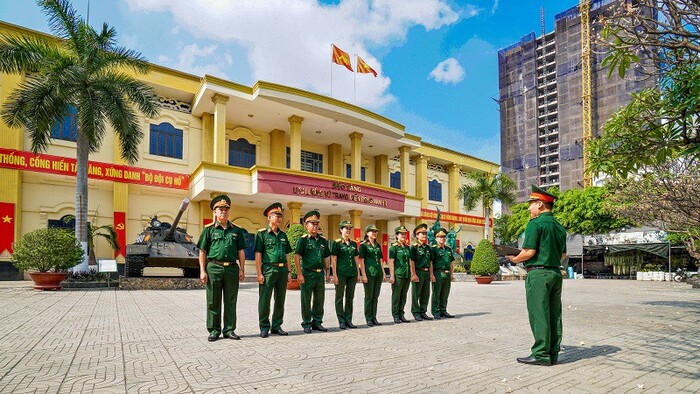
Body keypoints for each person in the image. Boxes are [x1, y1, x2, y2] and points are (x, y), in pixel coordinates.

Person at [507, 185, 567, 366]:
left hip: (539, 275)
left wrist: (515, 259)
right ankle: (552, 354)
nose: (529, 208)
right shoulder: (559, 226)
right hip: (555, 273)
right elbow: (562, 255)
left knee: (539, 313)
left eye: (531, 204)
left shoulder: (535, 223)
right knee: (554, 314)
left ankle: (540, 354)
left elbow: (529, 251)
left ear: (540, 204)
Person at [197, 195, 246, 342]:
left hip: (231, 268)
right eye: (220, 209)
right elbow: (202, 251)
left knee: (231, 300)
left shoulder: (236, 230)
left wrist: (242, 269)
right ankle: (214, 330)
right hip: (213, 268)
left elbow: (241, 251)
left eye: (226, 209)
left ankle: (229, 329)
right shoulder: (209, 230)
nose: (223, 211)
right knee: (213, 300)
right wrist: (202, 270)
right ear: (215, 212)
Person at [254, 202, 292, 338]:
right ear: (269, 217)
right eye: (277, 215)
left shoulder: (283, 235)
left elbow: (287, 254)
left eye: (281, 216)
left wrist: (288, 271)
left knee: (280, 299)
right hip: (268, 269)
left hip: (282, 270)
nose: (280, 218)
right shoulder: (262, 234)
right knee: (265, 299)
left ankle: (277, 326)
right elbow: (258, 254)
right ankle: (264, 326)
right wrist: (259, 273)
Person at [294, 210, 331, 333]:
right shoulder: (303, 240)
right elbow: (297, 256)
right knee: (306, 299)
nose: (315, 226)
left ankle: (317, 322)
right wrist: (299, 274)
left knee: (319, 299)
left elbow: (326, 257)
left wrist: (327, 272)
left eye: (316, 224)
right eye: (312, 223)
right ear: (306, 226)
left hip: (320, 273)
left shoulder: (323, 241)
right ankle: (306, 323)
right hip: (308, 273)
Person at [330, 220, 364, 329]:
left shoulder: (354, 243)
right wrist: (334, 275)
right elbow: (334, 260)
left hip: (352, 273)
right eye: (346, 228)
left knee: (350, 297)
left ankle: (348, 319)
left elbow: (356, 259)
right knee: (339, 297)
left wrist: (358, 273)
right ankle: (341, 320)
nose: (348, 230)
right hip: (341, 273)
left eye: (350, 229)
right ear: (341, 230)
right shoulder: (336, 243)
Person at [359, 224, 385, 326]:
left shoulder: (378, 245)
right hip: (369, 273)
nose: (375, 233)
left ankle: (374, 317)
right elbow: (361, 261)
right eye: (372, 231)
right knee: (369, 296)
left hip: (377, 273)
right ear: (367, 233)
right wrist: (363, 275)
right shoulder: (363, 245)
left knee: (375, 296)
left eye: (376, 231)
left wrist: (383, 273)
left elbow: (380, 260)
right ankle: (368, 318)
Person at [430, 227, 455, 319]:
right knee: (436, 293)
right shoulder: (433, 249)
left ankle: (443, 310)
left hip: (447, 274)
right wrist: (431, 274)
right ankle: (435, 311)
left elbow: (451, 262)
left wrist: (452, 274)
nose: (442, 238)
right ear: (436, 238)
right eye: (439, 236)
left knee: (445, 293)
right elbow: (431, 262)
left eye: (444, 236)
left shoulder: (448, 249)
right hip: (438, 273)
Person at [410, 223, 433, 321]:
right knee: (416, 293)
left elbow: (431, 262)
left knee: (425, 293)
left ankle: (423, 311)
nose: (424, 235)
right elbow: (411, 261)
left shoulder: (428, 248)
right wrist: (413, 274)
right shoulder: (414, 247)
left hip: (426, 272)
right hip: (418, 272)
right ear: (416, 235)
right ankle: (416, 312)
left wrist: (431, 274)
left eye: (425, 233)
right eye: (421, 233)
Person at [388, 225, 411, 324]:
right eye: (401, 234)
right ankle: (396, 315)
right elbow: (391, 262)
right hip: (398, 275)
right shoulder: (393, 248)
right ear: (397, 235)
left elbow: (409, 261)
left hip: (406, 274)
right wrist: (392, 275)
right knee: (396, 296)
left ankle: (401, 314)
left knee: (403, 295)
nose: (403, 236)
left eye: (404, 234)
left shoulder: (407, 247)